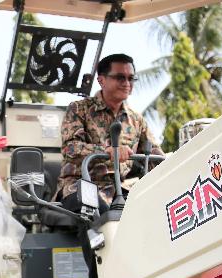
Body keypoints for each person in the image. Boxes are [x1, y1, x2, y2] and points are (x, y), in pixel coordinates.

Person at [56, 53, 164, 208]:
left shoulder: (136, 120)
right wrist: (107, 151)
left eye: (131, 78)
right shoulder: (79, 109)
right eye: (120, 77)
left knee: (151, 209)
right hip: (82, 186)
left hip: (123, 190)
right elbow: (70, 149)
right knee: (96, 209)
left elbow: (154, 154)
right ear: (101, 80)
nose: (127, 83)